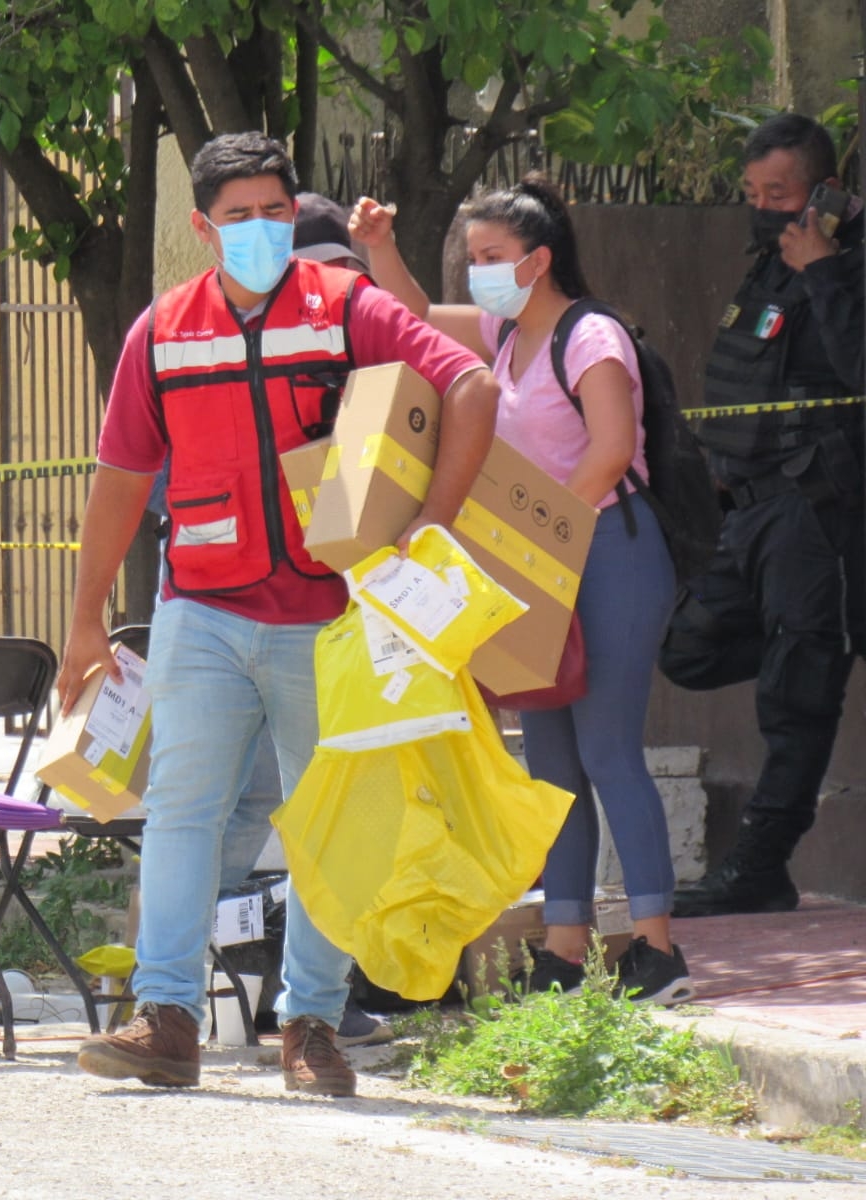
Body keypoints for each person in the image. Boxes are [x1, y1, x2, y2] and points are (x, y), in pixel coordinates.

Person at [67, 133, 498, 1094]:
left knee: (325, 824)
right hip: (201, 610)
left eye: (274, 210)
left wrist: (429, 530)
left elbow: (469, 383)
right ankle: (167, 1017)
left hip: (326, 616)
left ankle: (309, 1027)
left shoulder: (344, 305)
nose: (259, 230)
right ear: (201, 227)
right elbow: (120, 477)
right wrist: (85, 617)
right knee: (181, 812)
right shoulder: (162, 330)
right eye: (238, 216)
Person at [349, 176, 692, 1004]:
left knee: (609, 750)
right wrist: (380, 251)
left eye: (494, 258)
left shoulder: (592, 336)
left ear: (539, 261)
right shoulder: (505, 336)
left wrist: (545, 541)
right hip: (539, 562)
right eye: (473, 259)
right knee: (549, 764)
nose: (480, 274)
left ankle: (656, 950)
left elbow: (610, 450)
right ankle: (567, 951)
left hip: (609, 551)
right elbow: (419, 324)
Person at [658, 114, 865, 917]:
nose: (765, 207)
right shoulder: (768, 263)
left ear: (823, 190)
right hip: (746, 509)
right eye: (753, 193)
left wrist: (827, 271)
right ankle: (822, 639)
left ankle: (759, 865)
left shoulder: (838, 263)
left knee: (797, 690)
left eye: (779, 192)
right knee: (688, 650)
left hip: (816, 514)